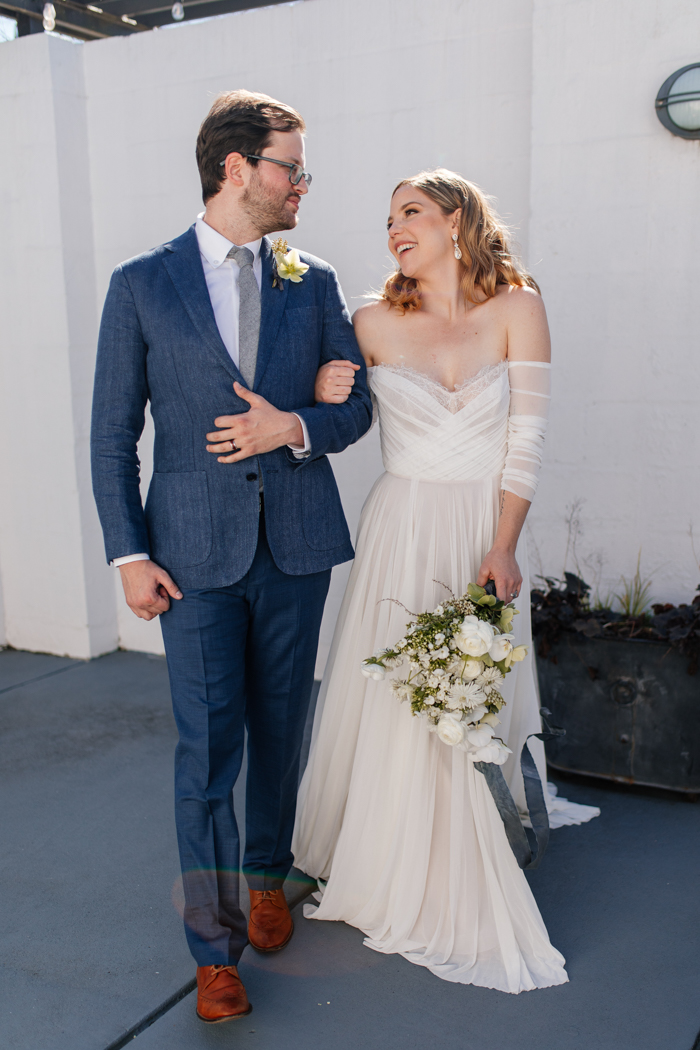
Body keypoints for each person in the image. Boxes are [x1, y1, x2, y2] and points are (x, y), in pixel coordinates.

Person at [90, 90, 372, 1024]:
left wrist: (293, 424)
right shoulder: (140, 282)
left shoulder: (314, 277)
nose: (303, 183)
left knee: (282, 733)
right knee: (207, 751)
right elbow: (110, 434)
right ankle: (213, 951)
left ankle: (265, 878)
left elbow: (354, 408)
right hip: (190, 556)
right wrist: (128, 554)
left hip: (295, 549)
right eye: (291, 165)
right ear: (237, 169)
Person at [293, 169, 598, 994]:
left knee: (470, 692)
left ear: (457, 221)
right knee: (404, 693)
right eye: (388, 217)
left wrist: (504, 546)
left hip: (479, 530)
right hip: (401, 528)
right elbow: (330, 411)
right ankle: (392, 851)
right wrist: (324, 386)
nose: (394, 228)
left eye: (412, 212)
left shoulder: (518, 307)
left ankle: (474, 827)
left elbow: (526, 439)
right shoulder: (368, 319)